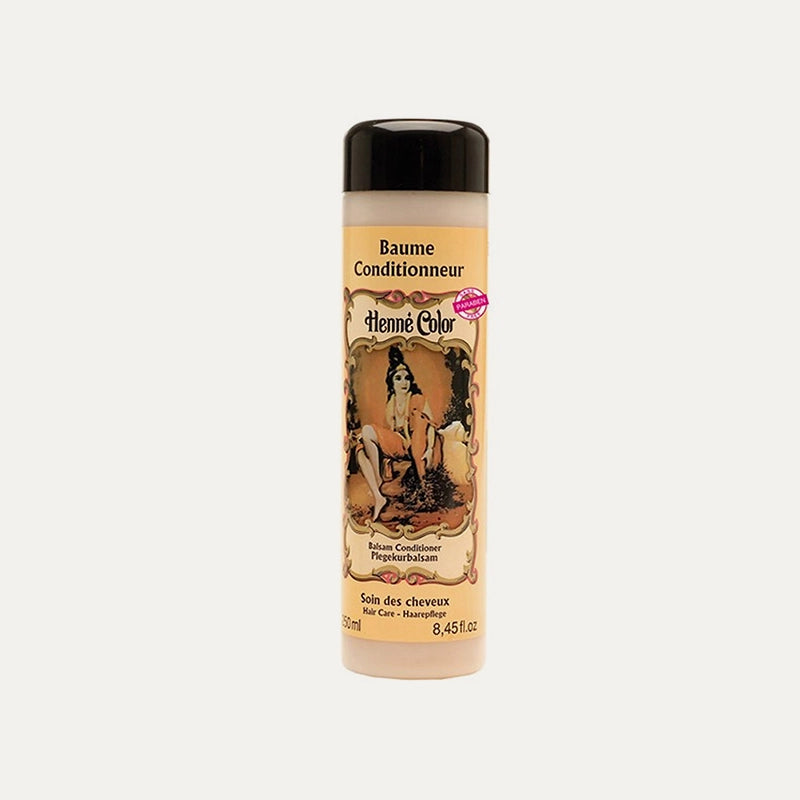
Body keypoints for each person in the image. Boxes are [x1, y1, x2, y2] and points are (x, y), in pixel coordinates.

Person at [357, 346, 437, 521]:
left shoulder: (417, 399)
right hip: (398, 443)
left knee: (367, 431)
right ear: (392, 383)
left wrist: (430, 449)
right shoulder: (391, 402)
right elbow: (392, 431)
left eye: (407, 378)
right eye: (398, 378)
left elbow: (430, 426)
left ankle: (378, 481)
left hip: (413, 445)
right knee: (360, 448)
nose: (404, 382)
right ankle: (379, 496)